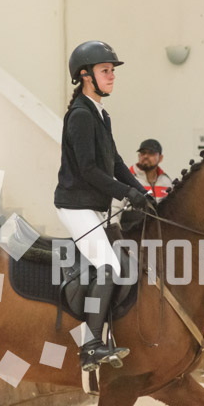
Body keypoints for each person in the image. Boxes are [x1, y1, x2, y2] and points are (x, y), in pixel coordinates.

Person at [54, 40, 155, 372]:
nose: (112, 76)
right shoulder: (80, 116)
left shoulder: (100, 114)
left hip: (93, 207)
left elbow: (116, 163)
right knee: (109, 266)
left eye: (112, 70)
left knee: (124, 264)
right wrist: (126, 194)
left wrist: (142, 192)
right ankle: (90, 346)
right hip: (75, 206)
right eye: (105, 70)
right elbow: (88, 170)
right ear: (86, 76)